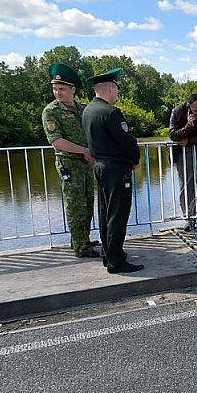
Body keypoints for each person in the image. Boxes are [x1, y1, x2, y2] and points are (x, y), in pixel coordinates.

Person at [82, 68, 144, 274]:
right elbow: (126, 141)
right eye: (116, 89)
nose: (117, 93)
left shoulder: (89, 110)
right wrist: (135, 159)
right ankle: (116, 261)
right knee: (118, 214)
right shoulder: (110, 113)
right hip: (116, 169)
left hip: (100, 167)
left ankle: (108, 252)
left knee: (105, 211)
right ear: (109, 88)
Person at [41, 63, 99, 259]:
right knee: (75, 205)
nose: (58, 92)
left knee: (88, 202)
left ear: (73, 89)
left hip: (86, 163)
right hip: (69, 163)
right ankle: (81, 247)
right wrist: (83, 150)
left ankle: (83, 239)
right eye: (55, 88)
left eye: (62, 89)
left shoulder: (82, 108)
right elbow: (56, 142)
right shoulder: (51, 111)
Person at [168, 93, 197, 224]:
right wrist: (188, 127)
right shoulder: (177, 112)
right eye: (196, 111)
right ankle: (190, 217)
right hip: (181, 151)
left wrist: (189, 140)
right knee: (187, 183)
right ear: (189, 106)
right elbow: (173, 135)